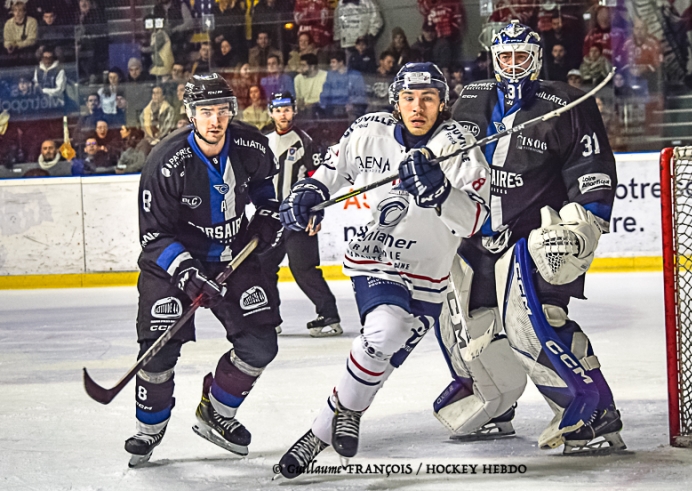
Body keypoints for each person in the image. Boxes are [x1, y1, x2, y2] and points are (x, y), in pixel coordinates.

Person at [276, 62, 489, 478]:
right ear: (396, 102)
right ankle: (345, 415)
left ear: (443, 103)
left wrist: (441, 192)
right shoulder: (369, 131)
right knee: (385, 332)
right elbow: (332, 172)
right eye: (409, 98)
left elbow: (474, 222)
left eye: (428, 98)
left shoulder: (459, 147)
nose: (418, 106)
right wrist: (310, 190)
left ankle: (320, 430)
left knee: (380, 361)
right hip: (376, 257)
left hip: (429, 276)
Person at [433, 20, 624, 455]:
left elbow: (590, 165)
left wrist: (585, 223)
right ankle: (492, 401)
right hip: (477, 233)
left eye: (522, 57)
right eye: (506, 57)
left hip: (535, 236)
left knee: (536, 323)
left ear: (536, 60)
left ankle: (594, 411)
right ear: (494, 60)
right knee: (463, 321)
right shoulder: (472, 99)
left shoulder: (565, 103)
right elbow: (443, 152)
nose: (514, 65)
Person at [122, 73, 284, 467]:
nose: (215, 120)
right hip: (175, 263)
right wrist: (188, 273)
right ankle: (149, 430)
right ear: (190, 114)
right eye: (205, 111)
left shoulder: (250, 144)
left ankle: (217, 413)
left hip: (233, 255)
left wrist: (265, 214)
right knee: (158, 350)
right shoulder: (165, 162)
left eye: (222, 110)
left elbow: (264, 185)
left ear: (232, 111)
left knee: (261, 344)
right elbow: (154, 236)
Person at [261, 91, 342, 337]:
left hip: (298, 216)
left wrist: (316, 214)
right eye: (278, 109)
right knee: (263, 267)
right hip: (271, 217)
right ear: (271, 112)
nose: (283, 114)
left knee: (302, 268)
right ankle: (269, 319)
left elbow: (318, 181)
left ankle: (329, 317)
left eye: (287, 109)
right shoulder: (263, 142)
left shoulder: (305, 141)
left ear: (294, 110)